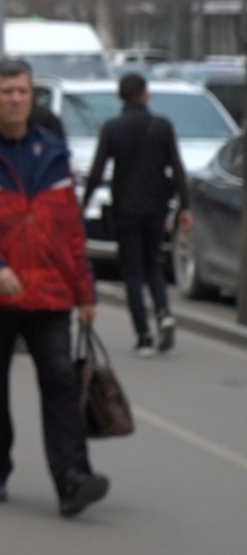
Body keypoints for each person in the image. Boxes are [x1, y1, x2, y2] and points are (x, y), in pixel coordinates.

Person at [0, 59, 108, 517]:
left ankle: (73, 477)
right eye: (7, 92)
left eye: (23, 92)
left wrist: (85, 290)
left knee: (60, 380)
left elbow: (70, 228)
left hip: (48, 290)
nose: (17, 100)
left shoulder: (52, 152)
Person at [83, 73, 193, 357]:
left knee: (132, 271)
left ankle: (143, 336)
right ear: (145, 94)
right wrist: (185, 207)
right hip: (156, 207)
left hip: (125, 209)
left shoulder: (112, 128)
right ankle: (164, 312)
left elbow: (96, 172)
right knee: (153, 264)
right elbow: (177, 169)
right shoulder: (162, 127)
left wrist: (82, 206)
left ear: (120, 97)